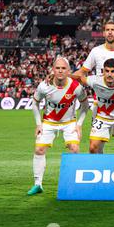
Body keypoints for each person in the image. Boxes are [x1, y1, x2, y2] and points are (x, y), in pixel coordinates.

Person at [74, 20, 114, 153]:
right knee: (96, 147)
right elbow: (82, 72)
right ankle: (100, 170)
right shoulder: (96, 51)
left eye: (113, 30)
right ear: (104, 33)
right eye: (107, 30)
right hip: (100, 105)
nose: (110, 32)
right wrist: (64, 77)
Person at [28, 57, 89, 196]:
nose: (60, 71)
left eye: (63, 68)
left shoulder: (76, 87)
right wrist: (38, 124)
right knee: (39, 149)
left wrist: (79, 124)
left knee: (74, 149)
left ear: (68, 71)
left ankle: (74, 184)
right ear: (53, 70)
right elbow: (35, 103)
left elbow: (85, 106)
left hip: (69, 123)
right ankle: (37, 184)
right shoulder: (44, 85)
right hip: (49, 122)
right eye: (57, 68)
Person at [71, 58, 114, 154]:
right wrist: (58, 76)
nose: (109, 74)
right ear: (103, 71)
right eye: (107, 71)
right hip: (102, 117)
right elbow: (79, 78)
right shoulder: (95, 80)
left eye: (113, 71)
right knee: (93, 148)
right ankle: (99, 167)